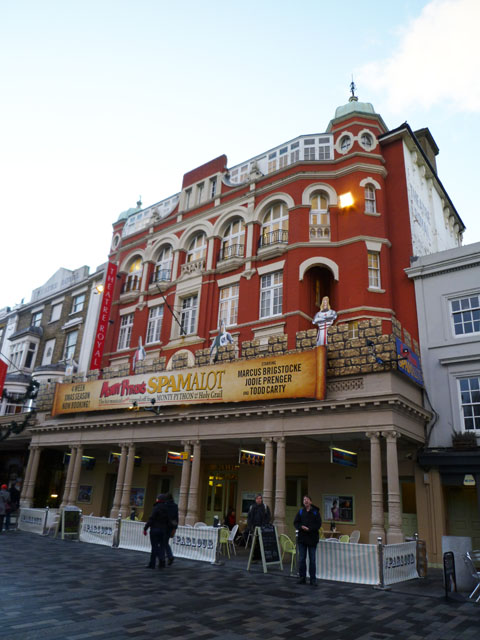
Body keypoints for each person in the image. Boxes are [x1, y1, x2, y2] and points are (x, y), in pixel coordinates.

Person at [294, 495, 322, 586]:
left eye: (307, 499)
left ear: (310, 501)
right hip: (302, 539)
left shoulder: (315, 512)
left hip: (312, 539)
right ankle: (302, 577)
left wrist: (309, 529)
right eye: (304, 499)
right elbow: (296, 522)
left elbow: (318, 524)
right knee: (302, 559)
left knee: (312, 560)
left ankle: (313, 579)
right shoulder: (301, 511)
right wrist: (301, 527)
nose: (305, 501)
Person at [143, 494, 170, 569]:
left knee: (154, 547)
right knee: (162, 547)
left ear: (158, 499)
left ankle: (152, 564)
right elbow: (168, 520)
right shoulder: (167, 508)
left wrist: (145, 528)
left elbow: (151, 518)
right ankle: (162, 562)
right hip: (163, 530)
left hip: (155, 529)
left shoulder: (156, 507)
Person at [164, 493, 178, 566]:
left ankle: (169, 556)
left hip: (164, 526)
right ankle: (169, 556)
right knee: (165, 542)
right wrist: (174, 528)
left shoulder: (164, 505)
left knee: (163, 542)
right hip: (171, 526)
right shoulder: (175, 506)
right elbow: (176, 518)